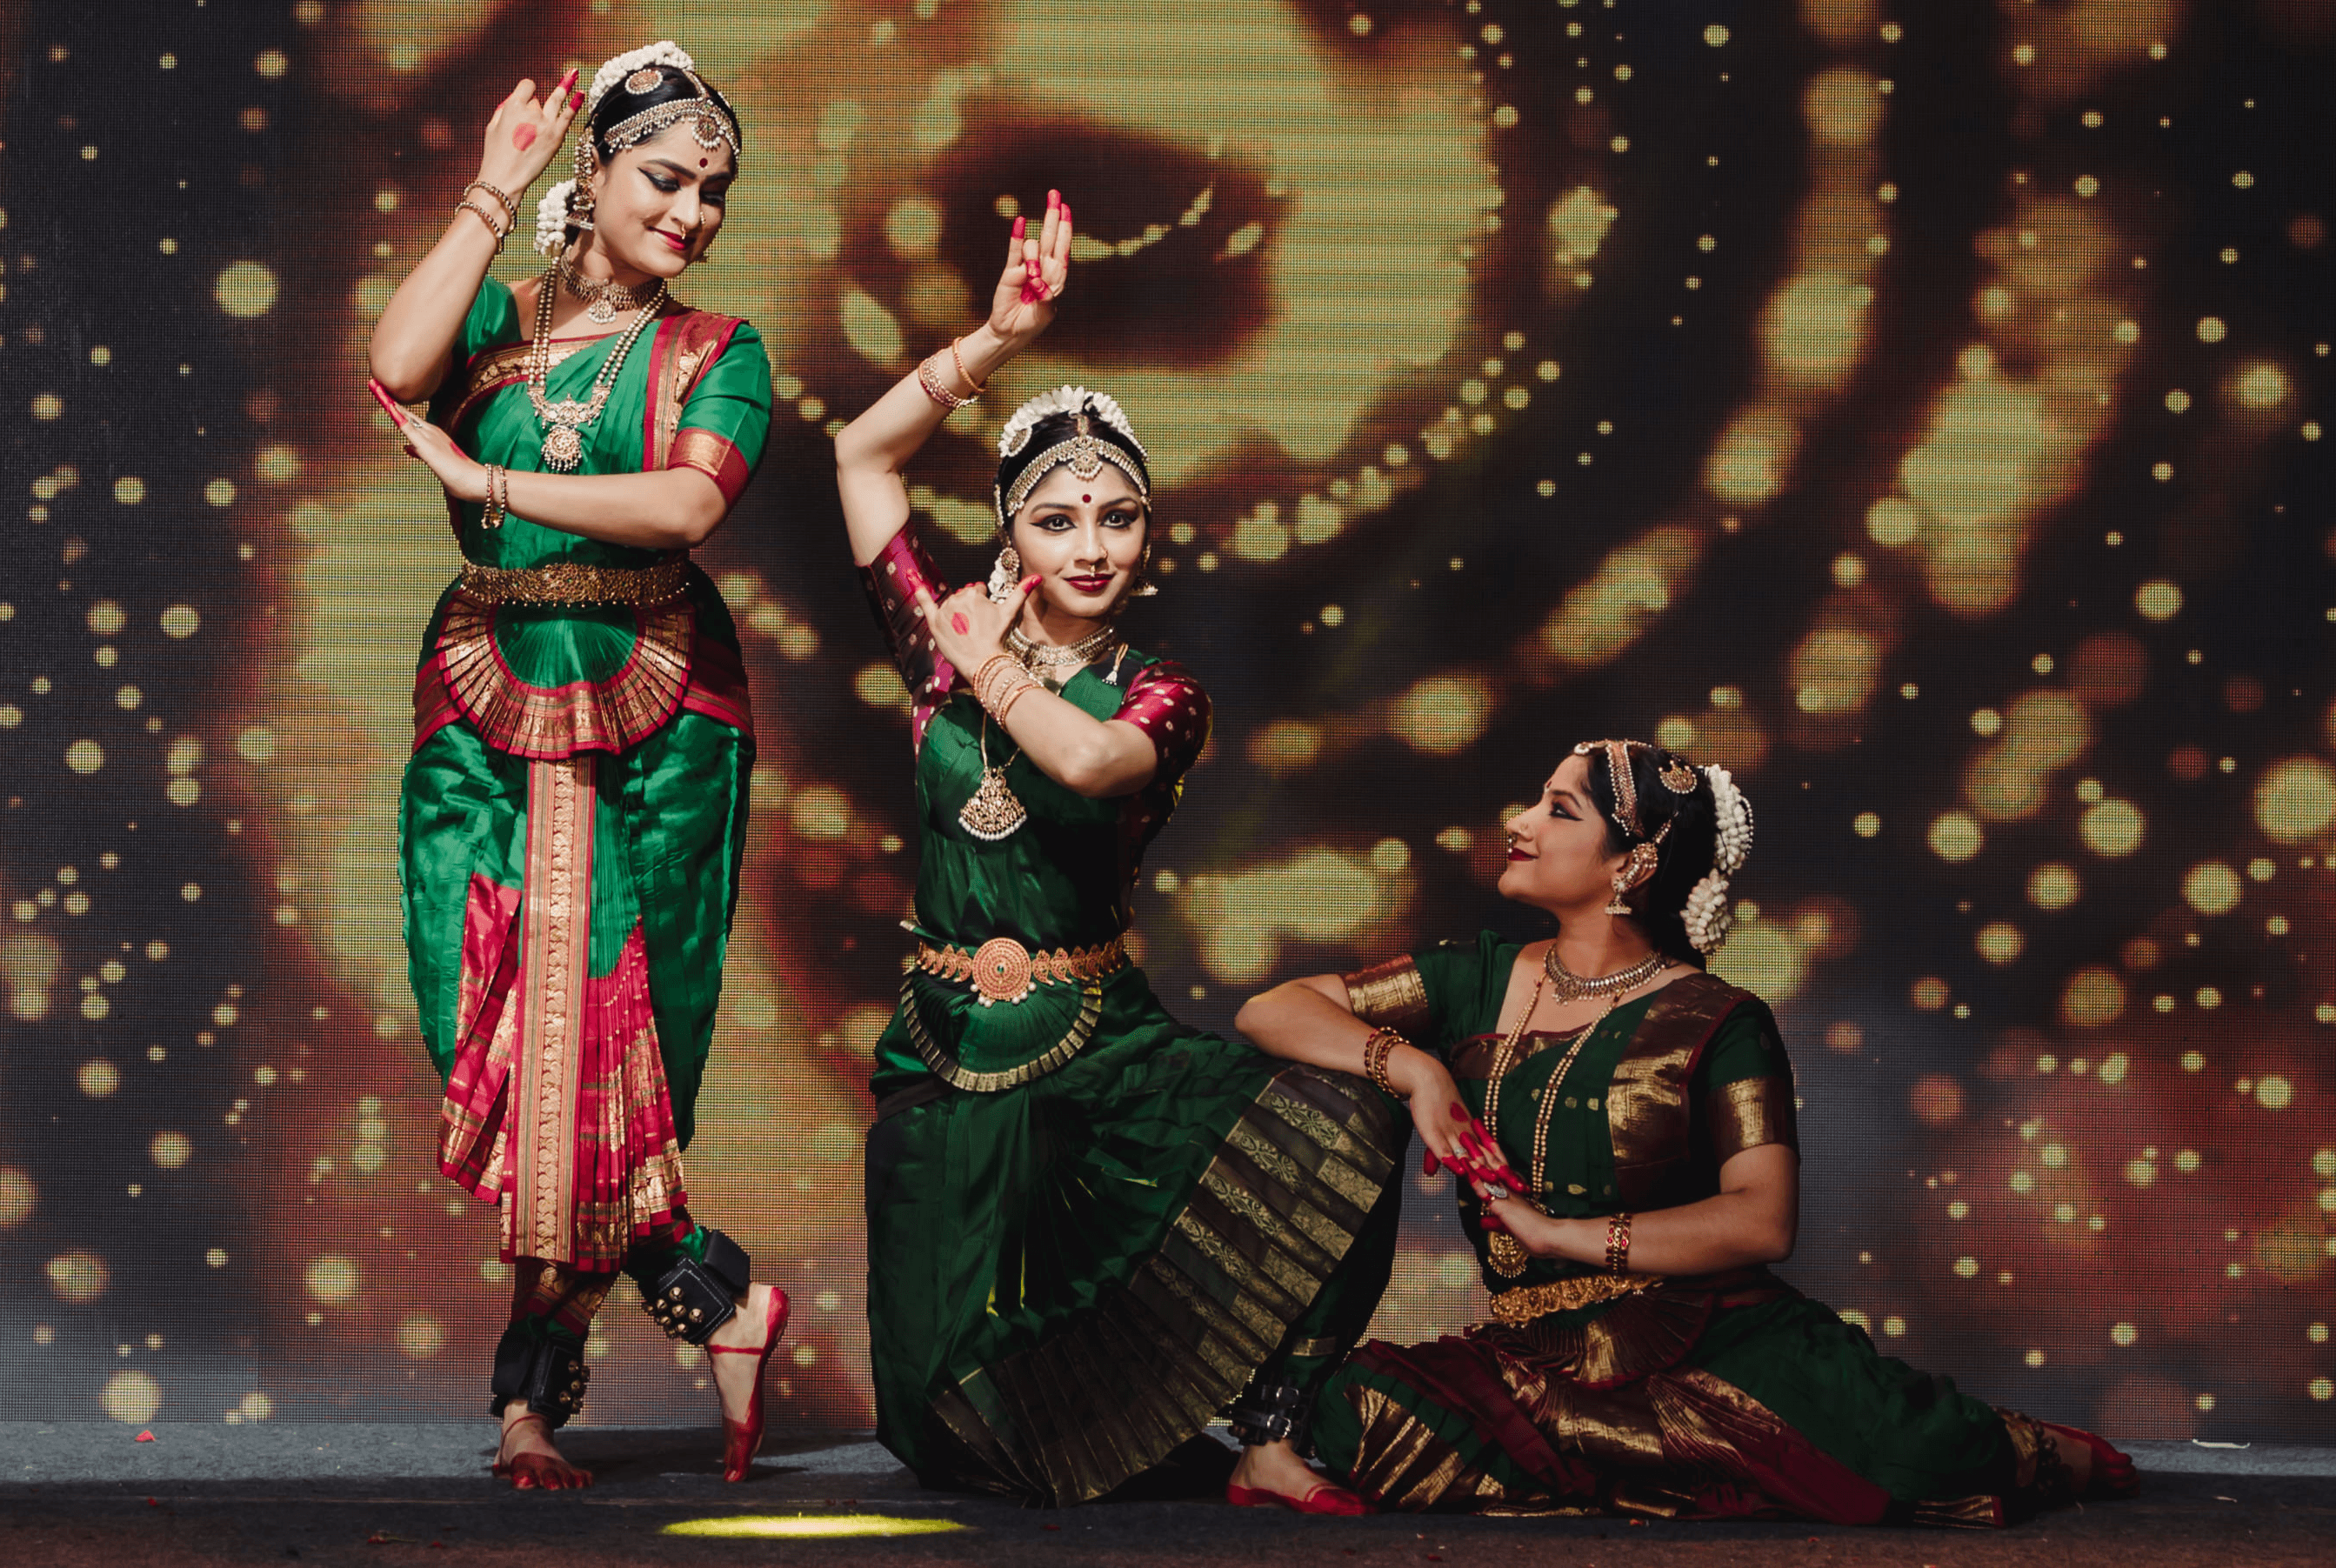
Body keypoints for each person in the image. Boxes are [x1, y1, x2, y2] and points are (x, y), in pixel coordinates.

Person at [833, 192, 1438, 1511]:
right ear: (1013, 533)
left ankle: (1273, 1439)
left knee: (1347, 1122)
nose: (1093, 544)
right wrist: (992, 339)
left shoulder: (1155, 691)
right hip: (946, 1044)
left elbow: (1090, 764)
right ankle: (1111, 1423)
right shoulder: (948, 644)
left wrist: (983, 659)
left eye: (1118, 517)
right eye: (1058, 520)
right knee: (939, 1426)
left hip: (1098, 1041)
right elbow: (857, 459)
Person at [1237, 739, 2138, 1525]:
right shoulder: (1468, 981)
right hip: (1532, 1359)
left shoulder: (1717, 1020)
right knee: (1358, 1415)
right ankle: (1653, 1469)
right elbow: (1272, 1009)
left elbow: (1760, 1221)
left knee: (1916, 1456)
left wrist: (1561, 1236)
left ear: (1631, 864)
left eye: (1558, 809)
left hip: (1713, 1345)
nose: (1521, 820)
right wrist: (1416, 1068)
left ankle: (2029, 1448)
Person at [369, 39, 787, 1491]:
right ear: (595, 174)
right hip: (484, 694)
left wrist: (487, 480)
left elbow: (680, 503)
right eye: (664, 177)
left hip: (665, 717)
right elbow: (394, 365)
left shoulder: (718, 353)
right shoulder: (492, 321)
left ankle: (529, 1401)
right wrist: (492, 188)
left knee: (622, 1053)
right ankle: (718, 1296)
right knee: (495, 1032)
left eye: (713, 191)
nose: (692, 213)